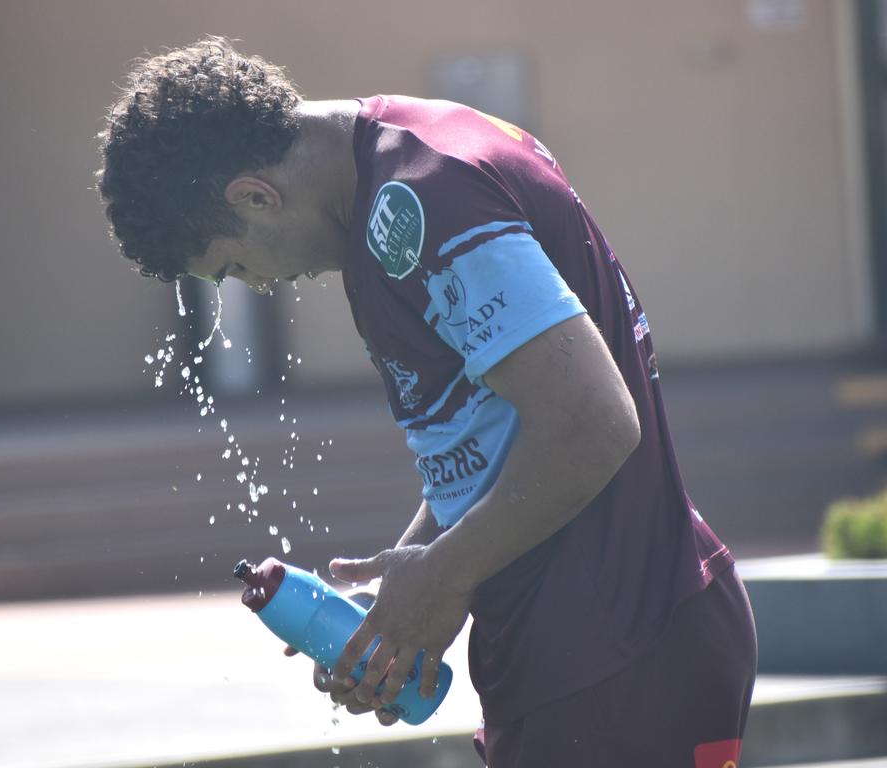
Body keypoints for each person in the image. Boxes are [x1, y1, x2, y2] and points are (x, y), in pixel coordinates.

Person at [98, 37, 758, 767]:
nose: (255, 284)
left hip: (622, 653)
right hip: (590, 649)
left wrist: (443, 577)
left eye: (235, 264)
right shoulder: (398, 161)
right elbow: (498, 434)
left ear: (255, 197)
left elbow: (594, 421)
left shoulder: (420, 202)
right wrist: (407, 587)